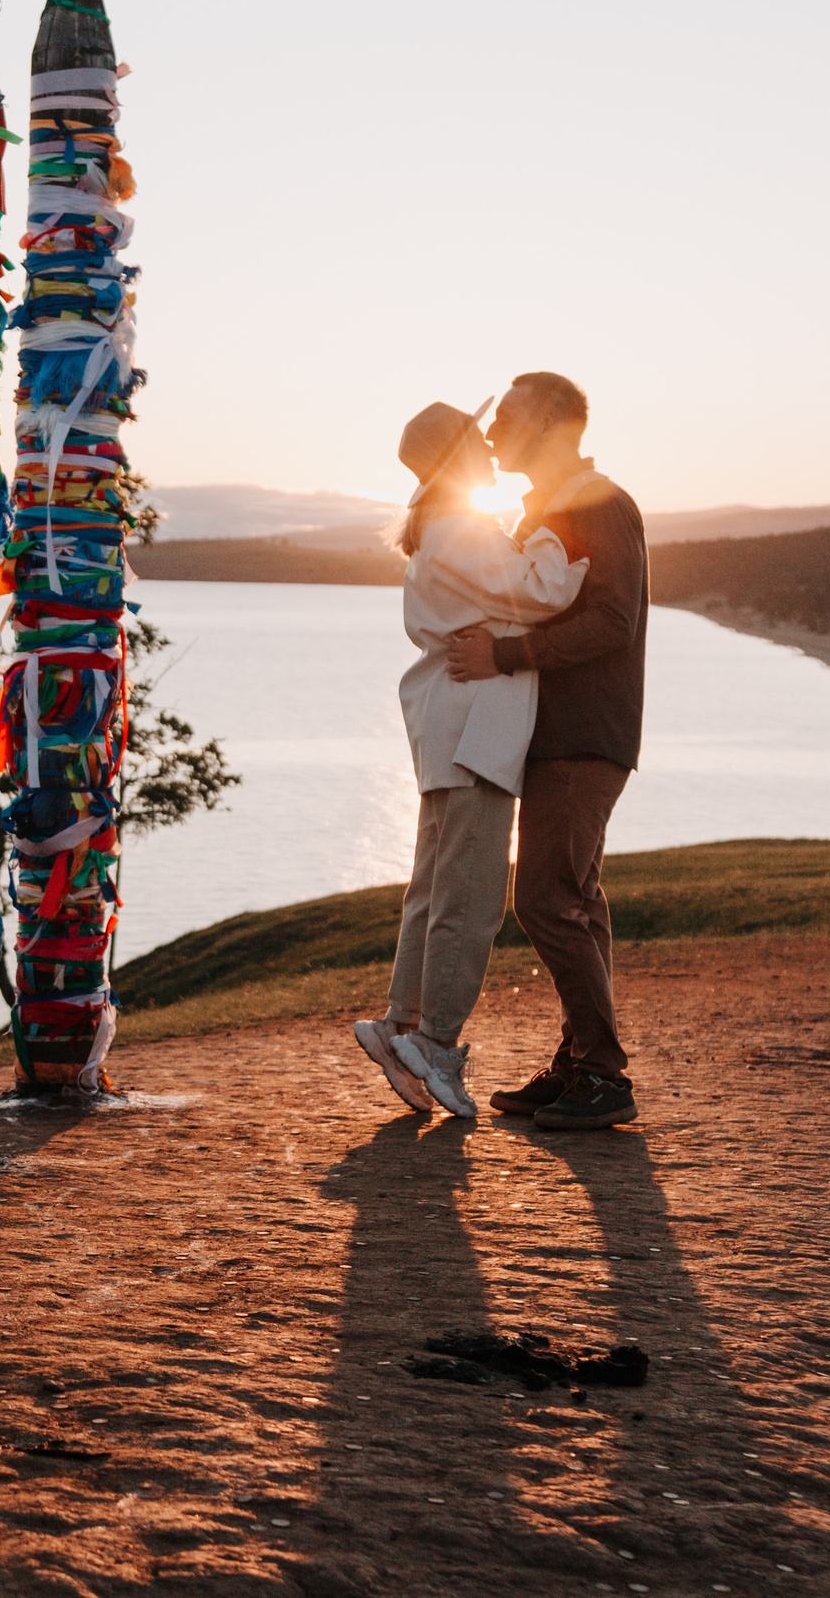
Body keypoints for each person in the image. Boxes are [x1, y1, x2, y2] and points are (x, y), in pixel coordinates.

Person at [350, 402, 588, 1121]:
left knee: (432, 888)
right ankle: (438, 1042)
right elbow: (545, 588)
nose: (489, 448)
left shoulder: (438, 527)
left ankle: (403, 1022)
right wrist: (555, 530)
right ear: (456, 457)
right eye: (476, 442)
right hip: (476, 734)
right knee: (472, 897)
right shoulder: (461, 527)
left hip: (448, 732)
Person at [447, 371, 649, 1130]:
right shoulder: (553, 508)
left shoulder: (600, 506)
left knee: (543, 898)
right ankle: (578, 1064)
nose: (494, 433)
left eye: (508, 418)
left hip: (584, 734)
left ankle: (603, 1073)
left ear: (555, 423)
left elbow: (613, 624)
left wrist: (504, 654)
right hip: (562, 736)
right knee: (577, 898)